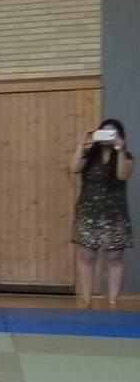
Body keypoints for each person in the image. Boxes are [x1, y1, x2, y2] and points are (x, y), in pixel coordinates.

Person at [70, 119, 134, 309]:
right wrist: (82, 144)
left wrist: (119, 150)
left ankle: (114, 300)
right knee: (87, 256)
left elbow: (122, 175)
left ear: (120, 135)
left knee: (115, 257)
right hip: (88, 213)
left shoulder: (126, 156)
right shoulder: (89, 155)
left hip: (115, 215)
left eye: (112, 133)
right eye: (104, 132)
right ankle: (87, 299)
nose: (107, 136)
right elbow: (74, 168)